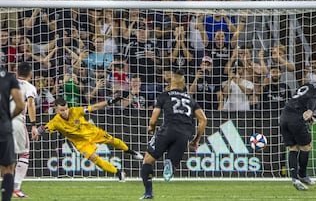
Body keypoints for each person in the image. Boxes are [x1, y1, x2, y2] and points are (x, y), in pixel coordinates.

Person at [36, 96, 143, 180]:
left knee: (113, 141)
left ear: (68, 106)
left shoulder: (77, 111)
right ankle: (118, 173)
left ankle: (130, 151)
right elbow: (45, 127)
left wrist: (109, 102)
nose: (65, 112)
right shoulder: (55, 121)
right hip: (81, 143)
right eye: (61, 110)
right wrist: (38, 131)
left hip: (93, 133)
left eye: (66, 109)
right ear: (56, 110)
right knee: (95, 160)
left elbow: (94, 107)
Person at [139, 69, 207, 199]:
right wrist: (196, 139)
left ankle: (148, 192)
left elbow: (153, 119)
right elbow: (203, 120)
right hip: (185, 135)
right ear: (184, 85)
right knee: (172, 159)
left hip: (167, 130)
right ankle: (170, 162)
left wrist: (151, 128)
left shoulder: (164, 96)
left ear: (171, 83)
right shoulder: (191, 99)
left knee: (148, 160)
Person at [280, 72, 316, 191]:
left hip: (284, 116)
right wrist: (310, 110)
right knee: (306, 146)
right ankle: (303, 175)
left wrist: (310, 115)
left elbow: (300, 100)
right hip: (296, 119)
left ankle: (294, 178)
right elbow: (313, 98)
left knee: (293, 148)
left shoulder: (308, 85)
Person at [10, 62, 38, 198]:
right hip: (16, 121)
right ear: (30, 74)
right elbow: (31, 104)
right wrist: (33, 124)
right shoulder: (29, 87)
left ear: (16, 72)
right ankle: (16, 188)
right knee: (24, 154)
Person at [0, 65, 25, 201]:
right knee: (8, 168)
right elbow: (20, 105)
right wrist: (9, 117)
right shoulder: (9, 78)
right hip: (3, 127)